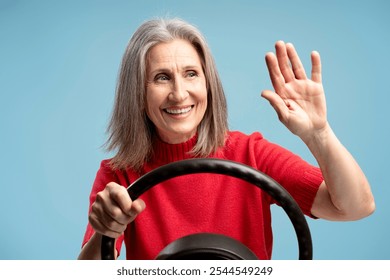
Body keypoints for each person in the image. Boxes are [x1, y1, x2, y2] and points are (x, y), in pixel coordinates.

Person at [78, 18, 375, 260]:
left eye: (191, 74)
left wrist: (319, 134)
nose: (180, 93)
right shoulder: (118, 174)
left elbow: (353, 207)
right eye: (162, 77)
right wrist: (106, 229)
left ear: (208, 84)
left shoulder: (251, 154)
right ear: (137, 94)